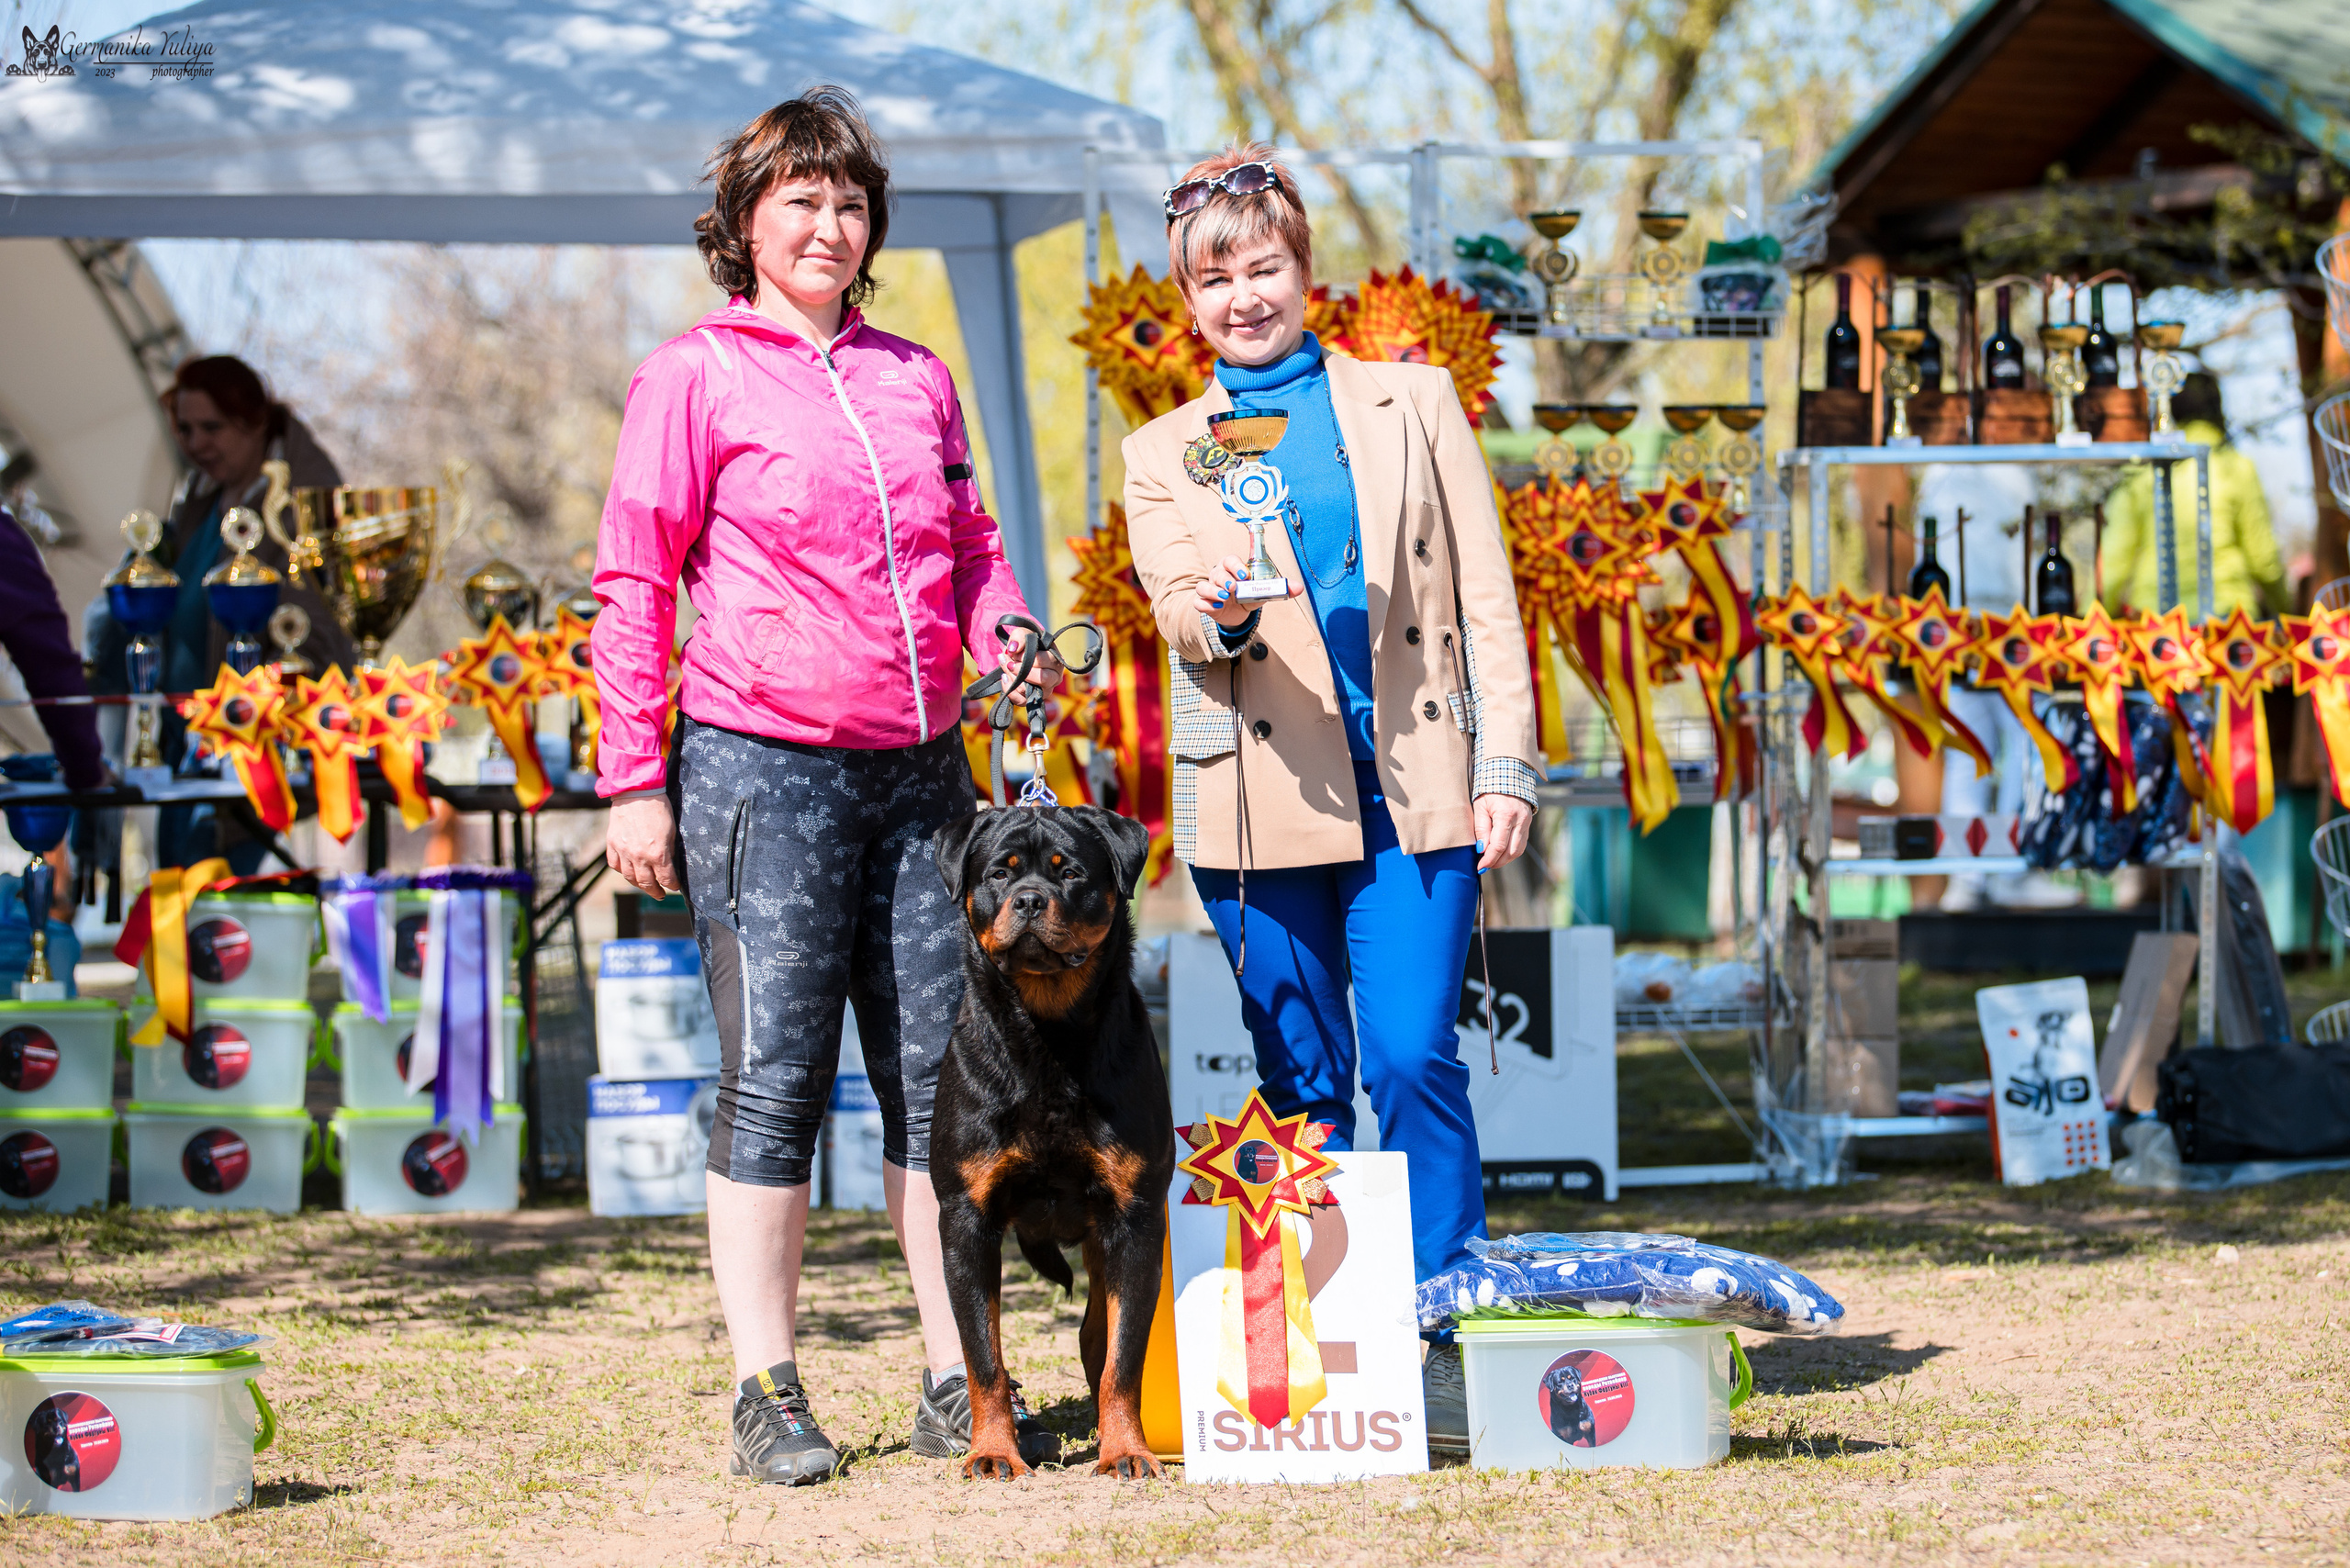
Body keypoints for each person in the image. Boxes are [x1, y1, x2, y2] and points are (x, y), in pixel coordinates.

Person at [595, 86, 1057, 1487]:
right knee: (775, 1084)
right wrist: (634, 780)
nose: (828, 223)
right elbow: (631, 581)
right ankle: (767, 1390)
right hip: (757, 773)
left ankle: (954, 1377)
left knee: (943, 1088)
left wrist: (1012, 635)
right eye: (800, 199)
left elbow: (971, 544)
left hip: (927, 780)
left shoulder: (916, 374)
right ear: (744, 222)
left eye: (850, 202)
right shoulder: (692, 374)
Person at [1121, 145, 1540, 1458]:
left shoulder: (1416, 404)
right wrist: (1226, 609)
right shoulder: (1161, 454)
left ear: (1307, 274)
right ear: (1187, 299)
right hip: (1258, 809)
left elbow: (1485, 596)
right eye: (1215, 276)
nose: (1243, 294)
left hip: (1418, 790)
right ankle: (1310, 1357)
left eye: (1263, 267)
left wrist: (1504, 763)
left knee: (1415, 1055)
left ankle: (1443, 1322)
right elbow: (1182, 613)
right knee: (1301, 1081)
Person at [84, 355, 354, 870]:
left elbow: (314, 635)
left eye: (212, 427)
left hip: (250, 758)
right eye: (185, 429)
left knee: (218, 920)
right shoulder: (199, 498)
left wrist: (256, 709)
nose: (196, 443)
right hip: (180, 748)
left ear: (255, 422)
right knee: (179, 901)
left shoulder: (302, 502)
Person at [2098, 372, 2287, 622]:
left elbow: (2112, 561)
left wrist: (2087, 622)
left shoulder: (2143, 472)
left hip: (2156, 626)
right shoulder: (2237, 467)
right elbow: (2263, 559)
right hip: (2228, 623)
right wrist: (2288, 610)